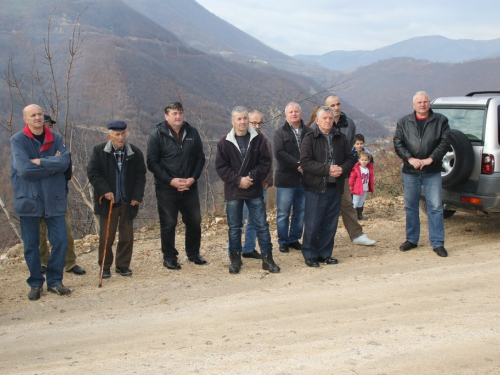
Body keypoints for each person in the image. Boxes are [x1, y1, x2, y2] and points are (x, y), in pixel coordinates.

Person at [10, 104, 71, 301]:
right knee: (31, 245)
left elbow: (65, 163)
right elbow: (25, 170)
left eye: (39, 114)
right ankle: (36, 283)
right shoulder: (18, 140)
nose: (38, 118)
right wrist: (52, 164)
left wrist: (40, 161)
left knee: (61, 240)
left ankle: (55, 281)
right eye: (33, 115)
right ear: (25, 119)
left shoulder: (56, 138)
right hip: (29, 199)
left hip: (54, 199)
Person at [215, 106, 280, 274]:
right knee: (235, 227)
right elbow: (221, 168)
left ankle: (267, 258)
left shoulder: (258, 139)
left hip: (254, 189)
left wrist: (251, 177)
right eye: (239, 119)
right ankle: (235, 259)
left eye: (245, 118)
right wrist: (238, 180)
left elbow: (265, 162)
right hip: (234, 191)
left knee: (261, 225)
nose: (243, 121)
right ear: (233, 121)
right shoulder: (224, 142)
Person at [147, 102, 206, 270]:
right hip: (167, 188)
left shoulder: (192, 133)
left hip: (189, 187)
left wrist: (193, 179)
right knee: (169, 222)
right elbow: (152, 162)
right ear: (166, 116)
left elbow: (200, 158)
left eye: (180, 112)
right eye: (174, 113)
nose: (178, 116)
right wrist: (169, 180)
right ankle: (169, 257)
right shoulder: (157, 135)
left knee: (194, 221)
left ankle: (193, 253)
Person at [393, 91, 451, 257]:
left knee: (435, 208)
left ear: (429, 103)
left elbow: (445, 142)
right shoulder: (404, 122)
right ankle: (411, 239)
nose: (422, 104)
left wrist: (430, 159)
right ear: (414, 105)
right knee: (410, 206)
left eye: (425, 101)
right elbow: (398, 142)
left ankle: (438, 243)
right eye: (419, 102)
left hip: (432, 171)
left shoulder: (441, 120)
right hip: (410, 171)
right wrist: (409, 158)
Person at [87, 121, 147, 278]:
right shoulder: (99, 151)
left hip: (127, 202)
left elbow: (141, 176)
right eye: (117, 135)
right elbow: (93, 173)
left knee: (127, 237)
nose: (121, 138)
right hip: (108, 203)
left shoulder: (134, 152)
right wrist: (105, 190)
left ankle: (123, 265)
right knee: (107, 237)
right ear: (109, 136)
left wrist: (137, 196)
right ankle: (105, 266)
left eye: (123, 134)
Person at [300, 106, 355, 267]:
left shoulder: (340, 138)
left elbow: (350, 159)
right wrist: (327, 169)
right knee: (313, 223)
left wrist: (342, 169)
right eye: (324, 118)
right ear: (317, 120)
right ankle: (310, 254)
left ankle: (325, 253)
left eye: (330, 118)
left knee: (330, 223)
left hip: (335, 187)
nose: (328, 121)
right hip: (316, 188)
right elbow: (305, 162)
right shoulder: (309, 138)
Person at [324, 95, 376, 246]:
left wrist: (346, 168)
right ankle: (322, 237)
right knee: (324, 207)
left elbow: (351, 151)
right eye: (332, 105)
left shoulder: (349, 124)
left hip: (342, 173)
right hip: (324, 174)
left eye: (338, 104)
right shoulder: (319, 123)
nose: (336, 107)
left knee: (347, 204)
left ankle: (357, 235)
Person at [39, 114, 86, 276]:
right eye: (46, 125)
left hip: (58, 195)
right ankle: (43, 262)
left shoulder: (59, 143)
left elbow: (66, 168)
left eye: (50, 125)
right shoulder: (31, 144)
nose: (48, 128)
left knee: (64, 231)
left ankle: (70, 262)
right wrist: (53, 162)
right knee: (40, 233)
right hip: (37, 196)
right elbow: (29, 170)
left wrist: (46, 163)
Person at [273, 102, 312, 253]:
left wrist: (306, 166)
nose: (294, 114)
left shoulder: (309, 132)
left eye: (296, 111)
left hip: (305, 179)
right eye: (291, 112)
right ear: (286, 115)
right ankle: (283, 241)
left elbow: (313, 151)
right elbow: (279, 153)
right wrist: (298, 165)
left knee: (300, 212)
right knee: (283, 212)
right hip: (286, 180)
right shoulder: (279, 133)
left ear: (301, 113)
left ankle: (294, 239)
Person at [241, 110, 273, 260]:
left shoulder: (264, 139)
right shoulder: (239, 138)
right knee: (238, 220)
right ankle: (233, 251)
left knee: (255, 220)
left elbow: (269, 163)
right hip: (240, 186)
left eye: (260, 122)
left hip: (259, 186)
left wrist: (267, 182)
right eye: (254, 122)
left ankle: (248, 248)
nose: (257, 125)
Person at [351, 133, 374, 219]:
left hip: (364, 178)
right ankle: (352, 215)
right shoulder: (351, 153)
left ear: (363, 143)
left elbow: (371, 165)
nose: (359, 145)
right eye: (357, 144)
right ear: (354, 144)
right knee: (354, 198)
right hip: (355, 179)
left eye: (361, 143)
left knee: (362, 198)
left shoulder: (367, 153)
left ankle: (359, 214)